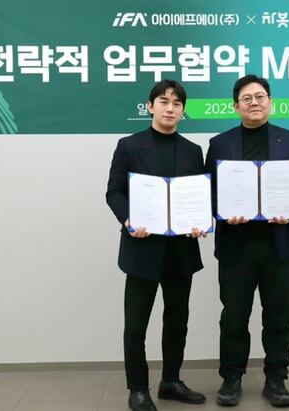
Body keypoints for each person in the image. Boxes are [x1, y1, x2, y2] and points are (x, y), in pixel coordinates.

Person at [205, 74, 289, 407]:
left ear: (270, 102)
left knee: (280, 316)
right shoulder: (220, 144)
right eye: (246, 98)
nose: (253, 103)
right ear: (235, 106)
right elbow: (206, 190)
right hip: (236, 246)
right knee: (234, 316)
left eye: (259, 97)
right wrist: (223, 212)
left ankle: (276, 379)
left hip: (279, 245)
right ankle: (231, 378)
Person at [106, 80, 207, 411]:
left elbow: (198, 196)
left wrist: (200, 221)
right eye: (163, 101)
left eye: (177, 104)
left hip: (181, 251)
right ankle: (137, 388)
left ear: (183, 111)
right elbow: (114, 192)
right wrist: (128, 220)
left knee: (177, 322)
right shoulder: (128, 146)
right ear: (150, 106)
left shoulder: (193, 151)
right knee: (136, 325)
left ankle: (171, 381)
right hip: (142, 248)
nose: (170, 108)